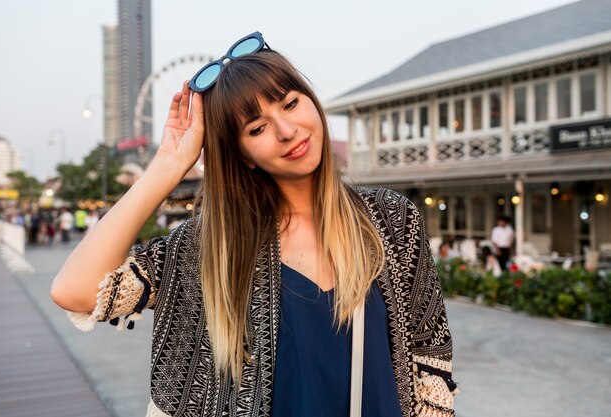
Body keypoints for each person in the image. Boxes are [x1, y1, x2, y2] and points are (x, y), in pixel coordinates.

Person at [51, 32, 457, 417]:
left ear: (311, 101)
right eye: (257, 128)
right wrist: (168, 166)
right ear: (242, 153)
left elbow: (429, 355)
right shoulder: (212, 249)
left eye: (291, 103)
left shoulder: (389, 218)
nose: (287, 131)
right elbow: (75, 291)